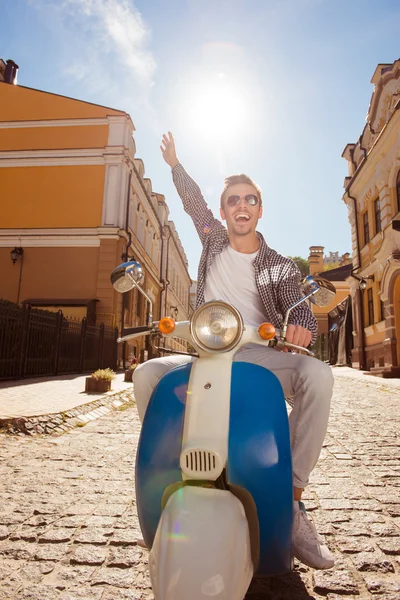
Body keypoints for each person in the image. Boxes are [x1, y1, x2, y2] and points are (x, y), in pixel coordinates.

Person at [133, 132, 335, 570]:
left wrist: (302, 329)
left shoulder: (280, 265)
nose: (240, 206)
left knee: (318, 376)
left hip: (258, 356)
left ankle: (293, 497)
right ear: (223, 212)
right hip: (207, 353)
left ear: (259, 209)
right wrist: (174, 164)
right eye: (232, 201)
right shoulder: (212, 242)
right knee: (147, 374)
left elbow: (298, 308)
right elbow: (191, 203)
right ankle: (169, 468)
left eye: (249, 199)